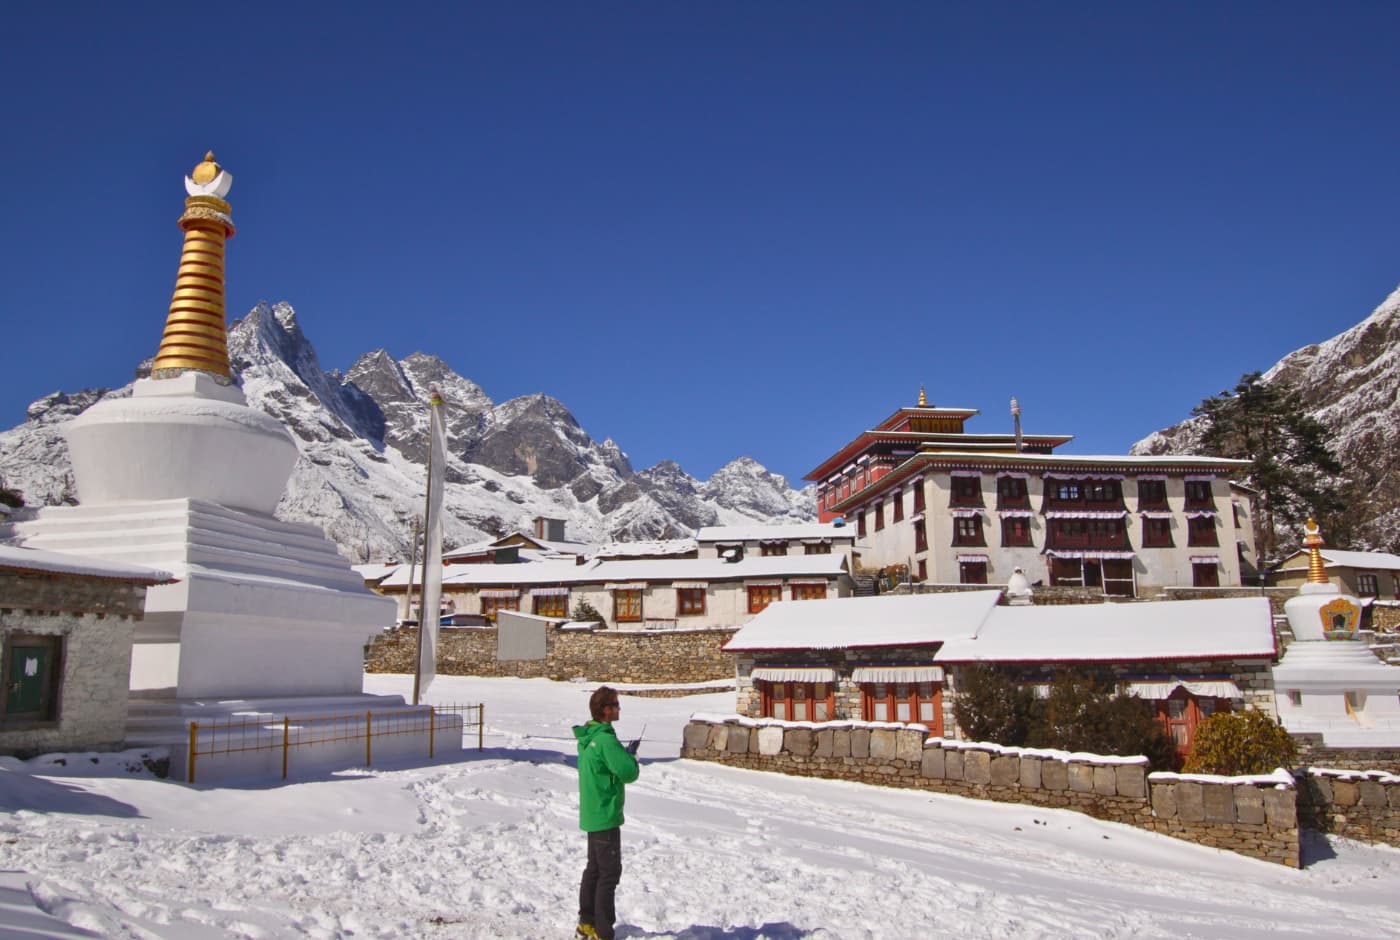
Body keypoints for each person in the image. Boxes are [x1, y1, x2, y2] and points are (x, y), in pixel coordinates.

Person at [573, 686, 640, 940]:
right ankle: (603, 931)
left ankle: (586, 923)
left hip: (592, 812)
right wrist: (631, 758)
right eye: (615, 704)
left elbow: (606, 766)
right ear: (605, 709)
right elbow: (628, 772)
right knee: (608, 874)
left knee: (594, 870)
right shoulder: (605, 739)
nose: (619, 708)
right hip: (605, 813)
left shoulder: (588, 737)